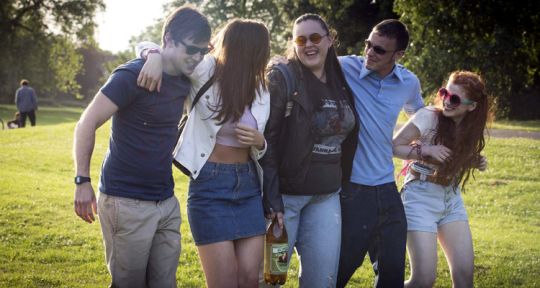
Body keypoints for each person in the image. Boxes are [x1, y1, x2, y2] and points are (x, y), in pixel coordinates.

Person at [72, 6, 211, 287]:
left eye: (203, 51)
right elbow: (86, 124)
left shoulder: (187, 79)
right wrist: (81, 180)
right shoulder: (130, 76)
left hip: (166, 202)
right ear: (169, 39)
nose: (197, 58)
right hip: (125, 202)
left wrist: (152, 52)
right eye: (192, 49)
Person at [136, 19, 271, 288]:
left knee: (249, 279)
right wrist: (150, 54)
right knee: (225, 282)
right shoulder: (206, 69)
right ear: (250, 49)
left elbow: (261, 146)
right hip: (210, 185)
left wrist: (260, 142)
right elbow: (166, 49)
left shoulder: (262, 88)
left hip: (249, 186)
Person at [261, 14, 358, 287]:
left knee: (322, 281)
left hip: (326, 198)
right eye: (300, 39)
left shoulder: (341, 79)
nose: (308, 45)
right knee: (271, 280)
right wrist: (272, 200)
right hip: (285, 202)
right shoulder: (283, 78)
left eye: (315, 37)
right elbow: (267, 141)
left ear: (330, 39)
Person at [337, 19, 425, 288]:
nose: (369, 52)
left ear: (399, 55)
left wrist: (428, 146)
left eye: (379, 49)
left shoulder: (408, 82)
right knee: (339, 269)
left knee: (392, 273)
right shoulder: (343, 67)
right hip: (352, 190)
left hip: (387, 188)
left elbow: (421, 117)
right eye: (368, 44)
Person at [393, 71, 491, 288]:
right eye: (445, 93)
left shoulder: (470, 127)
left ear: (471, 106)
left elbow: (452, 158)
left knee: (465, 278)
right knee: (423, 280)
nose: (447, 100)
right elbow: (394, 146)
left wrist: (473, 161)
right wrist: (427, 150)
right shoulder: (428, 116)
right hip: (419, 198)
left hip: (451, 200)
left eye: (454, 99)